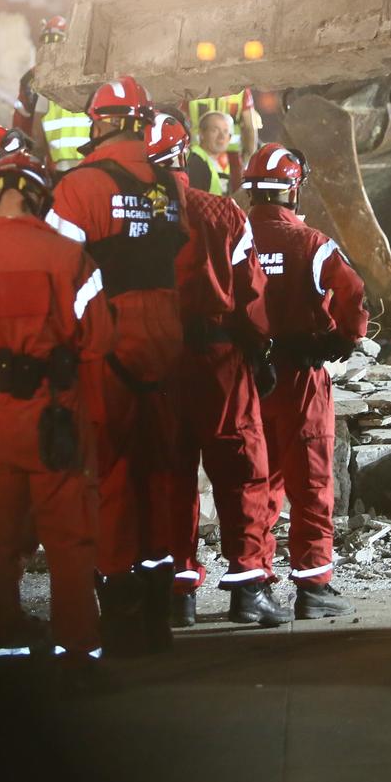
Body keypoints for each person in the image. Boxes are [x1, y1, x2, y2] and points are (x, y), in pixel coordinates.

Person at [0, 152, 110, 676]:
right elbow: (99, 338)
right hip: (52, 411)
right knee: (68, 536)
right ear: (40, 196)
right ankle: (78, 652)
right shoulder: (69, 258)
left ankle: (0, 639)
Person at [47, 76, 187, 655]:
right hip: (167, 338)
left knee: (108, 471)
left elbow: (56, 271)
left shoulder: (78, 187)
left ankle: (121, 599)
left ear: (99, 121)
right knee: (160, 470)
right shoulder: (170, 186)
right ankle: (160, 602)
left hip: (109, 335)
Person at [144, 112, 292, 630]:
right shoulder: (223, 212)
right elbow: (251, 294)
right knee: (241, 470)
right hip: (220, 362)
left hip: (157, 363)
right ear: (184, 155)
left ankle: (177, 592)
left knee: (171, 475)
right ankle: (249, 589)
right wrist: (259, 352)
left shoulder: (136, 217)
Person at [245, 143, 367, 618]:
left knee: (257, 483)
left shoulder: (231, 233)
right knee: (312, 482)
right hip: (300, 378)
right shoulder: (312, 243)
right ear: (293, 189)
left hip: (248, 379)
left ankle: (253, 586)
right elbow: (353, 292)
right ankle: (313, 587)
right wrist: (343, 337)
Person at [17, 17, 88, 173]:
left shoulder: (42, 78)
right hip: (89, 164)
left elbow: (30, 126)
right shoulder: (87, 72)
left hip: (58, 166)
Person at [186, 108, 236, 196]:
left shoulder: (218, 162)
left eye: (225, 131)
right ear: (201, 134)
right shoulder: (195, 161)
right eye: (215, 130)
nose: (222, 136)